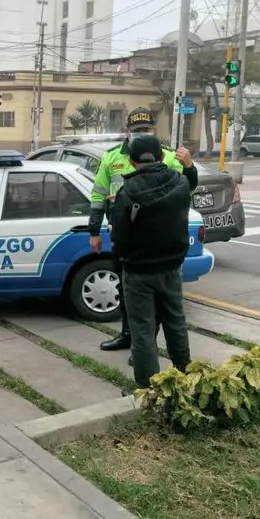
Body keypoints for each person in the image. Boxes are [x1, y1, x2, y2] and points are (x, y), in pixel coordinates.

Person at [88, 108, 194, 353]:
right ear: (128, 131)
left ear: (153, 131)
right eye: (136, 131)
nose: (140, 135)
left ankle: (143, 345)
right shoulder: (111, 158)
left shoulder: (166, 157)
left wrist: (189, 165)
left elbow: (182, 191)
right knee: (125, 292)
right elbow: (98, 195)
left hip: (156, 238)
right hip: (122, 237)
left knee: (154, 302)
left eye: (145, 130)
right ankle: (128, 336)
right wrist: (94, 230)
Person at [111, 134, 197, 389]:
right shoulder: (179, 182)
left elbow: (120, 238)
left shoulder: (128, 192)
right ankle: (185, 375)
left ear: (133, 161)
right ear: (161, 157)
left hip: (138, 272)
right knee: (176, 322)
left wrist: (122, 266)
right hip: (171, 267)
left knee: (143, 331)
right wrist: (189, 165)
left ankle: (149, 389)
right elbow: (191, 183)